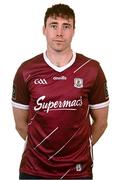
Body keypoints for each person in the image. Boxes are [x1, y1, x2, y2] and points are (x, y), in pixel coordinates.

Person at [12, 3, 109, 180]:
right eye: (53, 25)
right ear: (44, 29)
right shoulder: (26, 70)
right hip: (34, 170)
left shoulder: (91, 69)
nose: (59, 33)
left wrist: (78, 148)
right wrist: (43, 150)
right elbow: (20, 124)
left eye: (66, 26)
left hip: (77, 171)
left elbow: (101, 122)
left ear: (74, 30)